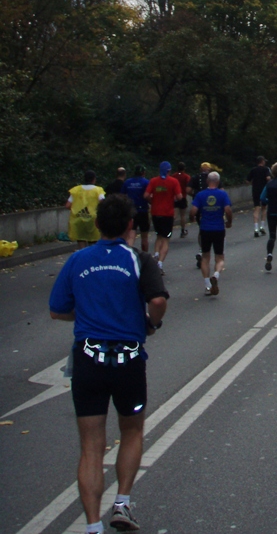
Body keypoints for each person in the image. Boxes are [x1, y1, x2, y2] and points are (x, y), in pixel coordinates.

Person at [49, 194, 168, 534]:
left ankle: (91, 526)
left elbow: (57, 310)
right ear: (131, 225)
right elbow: (157, 300)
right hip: (129, 359)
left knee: (90, 445)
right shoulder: (139, 260)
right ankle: (122, 504)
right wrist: (151, 323)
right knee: (131, 431)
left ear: (98, 224)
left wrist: (85, 314)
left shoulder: (77, 260)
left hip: (88, 359)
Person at [190, 171, 232, 296]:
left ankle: (207, 285)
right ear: (218, 182)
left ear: (208, 181)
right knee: (219, 257)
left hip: (205, 229)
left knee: (205, 257)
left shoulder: (200, 195)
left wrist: (192, 217)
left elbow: (193, 210)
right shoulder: (222, 194)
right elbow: (228, 210)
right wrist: (229, 221)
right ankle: (216, 275)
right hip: (219, 228)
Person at [143, 162, 182, 275]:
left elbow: (145, 195)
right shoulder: (174, 181)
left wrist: (152, 202)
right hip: (168, 214)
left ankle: (156, 254)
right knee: (166, 239)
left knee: (158, 236)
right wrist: (172, 199)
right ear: (169, 171)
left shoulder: (154, 181)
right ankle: (160, 263)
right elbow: (179, 197)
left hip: (155, 213)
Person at [66, 171, 105, 249]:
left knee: (81, 241)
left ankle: (83, 258)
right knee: (93, 242)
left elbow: (68, 205)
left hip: (78, 218)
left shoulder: (76, 190)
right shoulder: (98, 190)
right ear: (94, 179)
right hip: (93, 219)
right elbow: (103, 202)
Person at [123, 165, 150, 252]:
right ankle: (145, 256)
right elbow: (148, 196)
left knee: (131, 235)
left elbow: (122, 195)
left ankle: (128, 254)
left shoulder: (127, 182)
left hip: (131, 211)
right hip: (143, 211)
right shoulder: (146, 182)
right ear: (143, 173)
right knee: (144, 236)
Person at [247, 156, 271, 237]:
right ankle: (262, 226)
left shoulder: (253, 170)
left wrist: (253, 183)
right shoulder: (266, 169)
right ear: (262, 161)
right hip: (264, 191)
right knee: (264, 208)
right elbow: (268, 178)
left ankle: (256, 228)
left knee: (256, 208)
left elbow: (247, 180)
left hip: (255, 191)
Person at [174, 162, 191, 238]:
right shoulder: (186, 177)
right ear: (184, 168)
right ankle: (183, 230)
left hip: (175, 197)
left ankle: (168, 230)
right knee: (183, 215)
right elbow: (188, 187)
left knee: (174, 215)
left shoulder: (174, 176)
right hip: (183, 197)